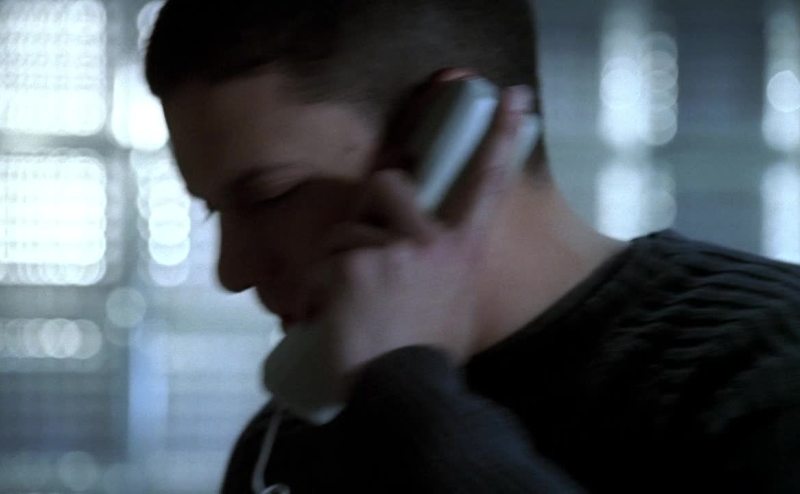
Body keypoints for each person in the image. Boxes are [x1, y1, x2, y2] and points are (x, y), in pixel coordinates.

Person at [144, 0, 800, 492]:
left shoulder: (763, 369)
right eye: (214, 209)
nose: (232, 271)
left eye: (270, 195)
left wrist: (409, 398)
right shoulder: (292, 441)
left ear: (446, 130)